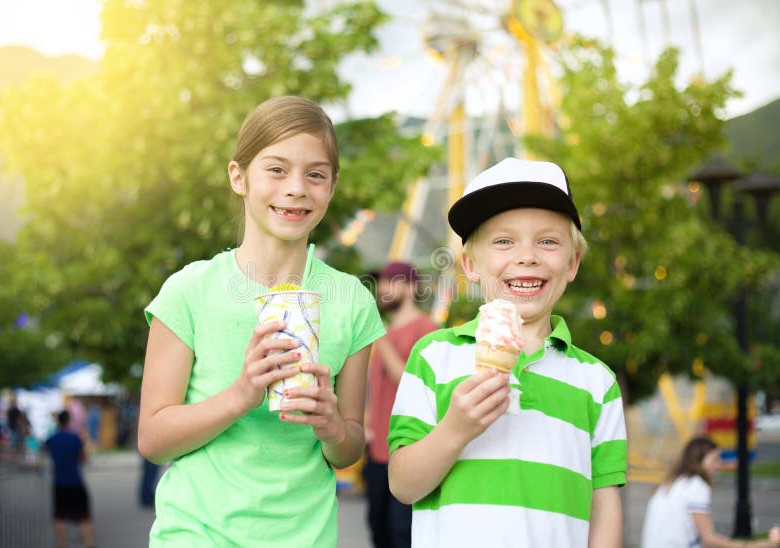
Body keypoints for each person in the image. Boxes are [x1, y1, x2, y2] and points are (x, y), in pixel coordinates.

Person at [138, 95, 385, 547]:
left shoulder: (352, 300)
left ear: (332, 186)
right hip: (196, 533)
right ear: (239, 177)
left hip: (305, 536)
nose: (296, 188)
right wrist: (241, 395)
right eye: (276, 169)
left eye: (316, 174)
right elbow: (154, 440)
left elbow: (348, 448)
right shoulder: (188, 290)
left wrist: (332, 426)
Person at [387, 157, 628, 547]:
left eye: (547, 241)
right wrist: (455, 430)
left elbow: (604, 506)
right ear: (470, 264)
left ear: (572, 263)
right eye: (503, 241)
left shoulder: (597, 381)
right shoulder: (434, 356)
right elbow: (403, 485)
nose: (527, 255)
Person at [365, 261, 439, 548]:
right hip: (377, 449)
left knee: (402, 533)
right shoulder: (385, 332)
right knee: (377, 527)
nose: (382, 289)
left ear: (411, 287)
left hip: (409, 448)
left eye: (389, 281)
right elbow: (377, 389)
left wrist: (380, 336)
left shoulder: (427, 329)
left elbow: (406, 379)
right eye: (381, 281)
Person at [641, 436, 780, 548]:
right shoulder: (697, 486)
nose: (718, 465)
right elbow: (709, 539)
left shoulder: (671, 483)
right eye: (715, 459)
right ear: (698, 460)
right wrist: (752, 545)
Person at [45, 409, 95, 548]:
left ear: (58, 421)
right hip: (75, 481)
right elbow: (83, 458)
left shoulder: (52, 439)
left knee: (59, 515)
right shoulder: (75, 438)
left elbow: (46, 453)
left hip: (59, 482)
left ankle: (62, 544)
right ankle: (89, 544)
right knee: (83, 514)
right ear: (68, 421)